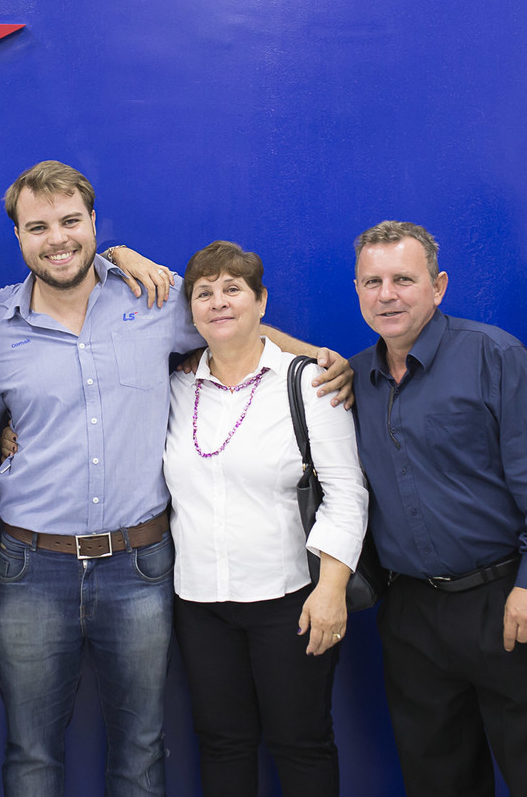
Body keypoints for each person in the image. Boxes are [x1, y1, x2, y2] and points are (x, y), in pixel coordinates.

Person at [0, 160, 354, 796]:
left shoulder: (152, 296)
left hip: (139, 565)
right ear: (18, 235)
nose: (57, 238)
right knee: (31, 751)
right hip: (32, 565)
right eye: (38, 227)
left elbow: (233, 327)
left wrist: (315, 360)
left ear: (94, 223)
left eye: (71, 221)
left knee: (142, 746)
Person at [349, 221, 527, 797]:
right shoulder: (354, 380)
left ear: (438, 287)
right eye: (372, 282)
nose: (387, 295)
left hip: (505, 601)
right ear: (358, 291)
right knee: (437, 781)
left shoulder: (493, 355)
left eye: (404, 280)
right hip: (410, 614)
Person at [162, 241, 368, 796]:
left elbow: (347, 493)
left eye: (233, 289)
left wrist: (331, 590)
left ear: (261, 302)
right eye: (204, 293)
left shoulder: (308, 384)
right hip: (199, 603)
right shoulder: (175, 388)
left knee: (301, 744)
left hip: (291, 600)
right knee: (221, 744)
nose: (218, 302)